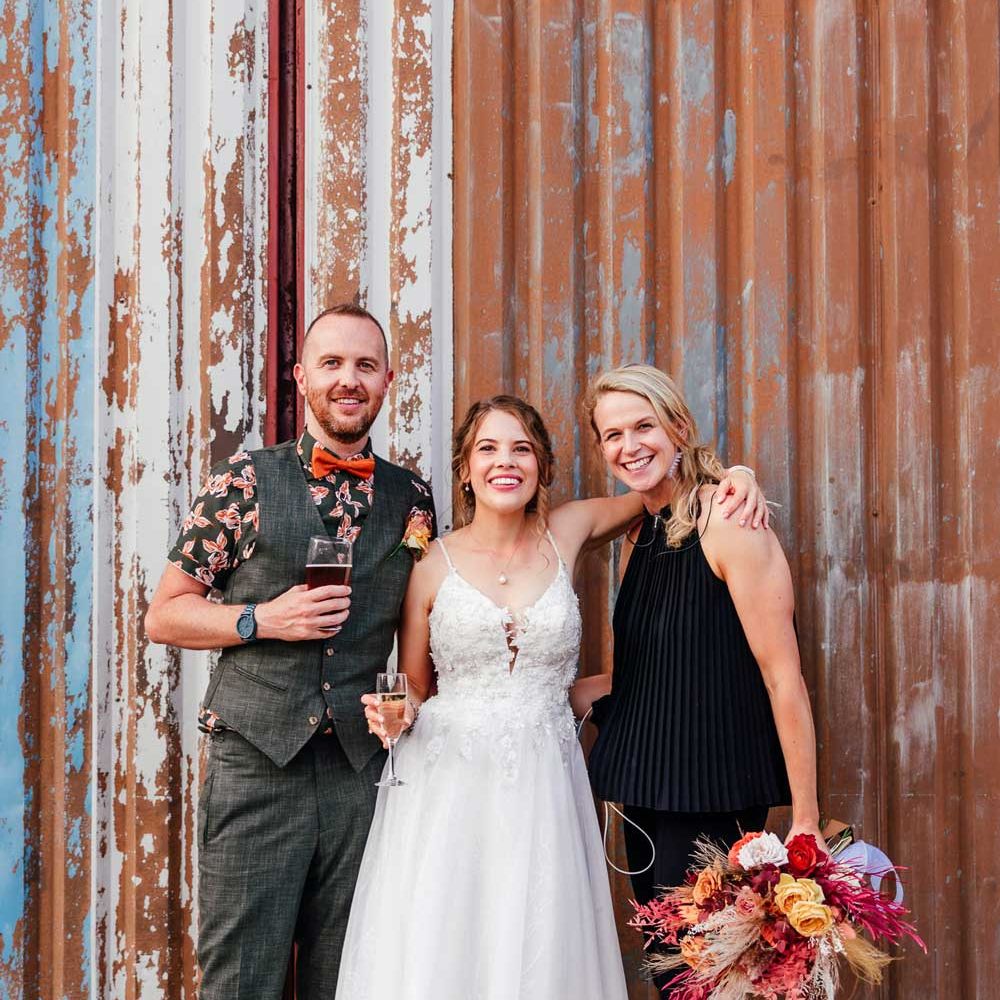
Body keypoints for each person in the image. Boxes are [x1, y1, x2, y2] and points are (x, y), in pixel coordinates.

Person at [335, 395, 766, 1000]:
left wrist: (734, 477)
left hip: (545, 778)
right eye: (488, 448)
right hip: (447, 780)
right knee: (448, 934)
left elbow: (659, 487)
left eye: (521, 449)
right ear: (465, 469)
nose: (505, 462)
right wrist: (395, 711)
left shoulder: (568, 530)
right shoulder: (431, 563)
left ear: (541, 465)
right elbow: (415, 688)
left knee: (540, 937)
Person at [144, 304, 436, 999]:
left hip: (361, 775)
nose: (348, 379)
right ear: (302, 377)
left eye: (365, 365)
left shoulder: (414, 499)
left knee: (351, 980)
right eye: (331, 363)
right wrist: (262, 619)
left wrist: (405, 702)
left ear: (388, 380)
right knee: (242, 981)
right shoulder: (242, 481)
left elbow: (418, 630)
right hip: (256, 767)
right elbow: (164, 615)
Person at [577, 364, 822, 993]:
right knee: (675, 974)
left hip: (713, 789)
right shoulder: (639, 532)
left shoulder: (728, 520)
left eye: (644, 426)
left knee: (715, 981)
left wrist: (806, 818)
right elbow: (657, 668)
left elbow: (783, 677)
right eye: (612, 435)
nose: (630, 445)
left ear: (679, 428)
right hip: (647, 791)